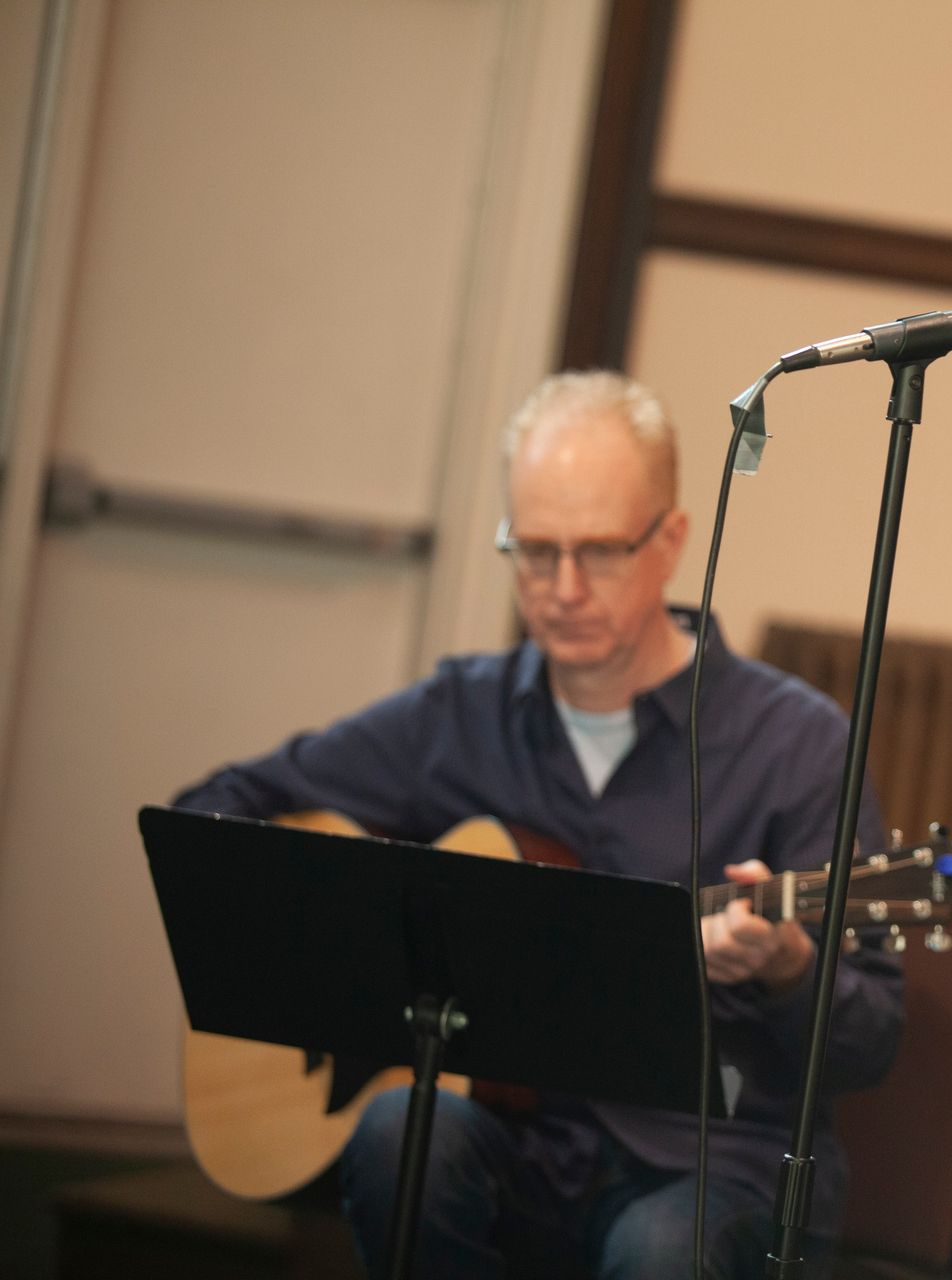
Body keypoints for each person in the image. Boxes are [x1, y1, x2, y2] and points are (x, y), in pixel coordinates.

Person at [174, 371, 903, 1279]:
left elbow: (873, 1039)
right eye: (533, 551)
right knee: (402, 1130)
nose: (562, 588)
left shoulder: (795, 744)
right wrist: (357, 958)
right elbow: (211, 817)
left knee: (658, 1250)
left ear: (671, 541)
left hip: (708, 1157)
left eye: (598, 552)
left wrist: (790, 967)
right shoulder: (459, 715)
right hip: (514, 1148)